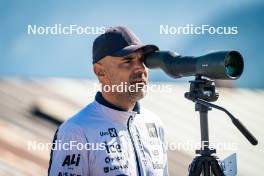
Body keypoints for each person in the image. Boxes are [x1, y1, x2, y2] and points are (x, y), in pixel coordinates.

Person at [48, 26, 169, 176]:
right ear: (100, 72)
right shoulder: (76, 131)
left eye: (143, 61)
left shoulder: (154, 124)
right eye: (128, 61)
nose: (140, 69)